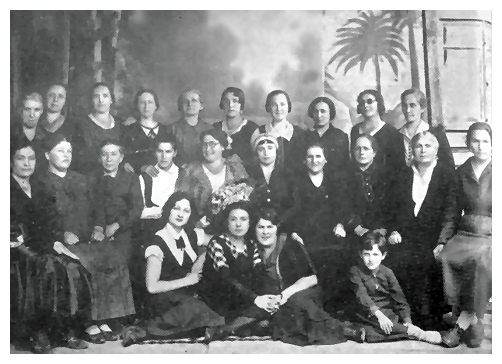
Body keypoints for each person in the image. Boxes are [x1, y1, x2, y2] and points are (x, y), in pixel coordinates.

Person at [10, 139, 92, 353]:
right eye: (20, 158)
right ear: (10, 162)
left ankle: (63, 329)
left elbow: (52, 221)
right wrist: (44, 244)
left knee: (73, 266)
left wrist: (55, 241)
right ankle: (38, 331)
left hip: (42, 242)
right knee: (45, 266)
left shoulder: (40, 186)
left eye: (31, 158)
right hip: (14, 247)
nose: (27, 163)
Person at [121, 192, 224, 346]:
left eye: (186, 210)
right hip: (164, 297)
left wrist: (200, 261)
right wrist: (187, 280)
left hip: (187, 293)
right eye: (176, 208)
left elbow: (218, 242)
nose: (180, 214)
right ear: (168, 209)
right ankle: (144, 329)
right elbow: (152, 286)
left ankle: (191, 326)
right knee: (196, 309)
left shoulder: (192, 235)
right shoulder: (156, 242)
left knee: (214, 301)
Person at [253, 207, 353, 346]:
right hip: (277, 299)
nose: (265, 232)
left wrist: (284, 295)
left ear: (277, 228)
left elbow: (312, 278)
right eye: (260, 227)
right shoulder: (253, 249)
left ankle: (343, 329)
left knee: (297, 301)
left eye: (270, 227)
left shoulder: (289, 245)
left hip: (304, 291)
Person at [390, 131, 457, 329]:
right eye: (418, 146)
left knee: (428, 260)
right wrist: (394, 230)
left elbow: (451, 212)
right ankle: (406, 315)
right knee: (399, 257)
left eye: (428, 146)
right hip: (407, 233)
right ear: (412, 150)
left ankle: (428, 317)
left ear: (436, 150)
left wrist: (442, 241)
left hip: (434, 235)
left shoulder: (446, 174)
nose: (423, 150)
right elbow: (393, 208)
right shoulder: (403, 173)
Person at [84, 140, 144, 342]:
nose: (109, 159)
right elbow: (92, 207)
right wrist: (99, 228)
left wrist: (117, 225)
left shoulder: (131, 178)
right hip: (97, 230)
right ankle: (97, 319)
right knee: (94, 263)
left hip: (123, 231)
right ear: (99, 157)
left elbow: (137, 208)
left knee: (116, 262)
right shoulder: (92, 179)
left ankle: (112, 318)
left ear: (121, 157)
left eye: (113, 154)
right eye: (104, 154)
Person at [440, 122, 492, 348]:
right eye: (475, 141)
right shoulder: (461, 172)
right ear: (468, 144)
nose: (480, 146)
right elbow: (452, 210)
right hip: (466, 231)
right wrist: (442, 240)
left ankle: (462, 324)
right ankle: (473, 319)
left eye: (485, 141)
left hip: (491, 234)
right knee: (446, 257)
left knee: (481, 263)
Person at [282, 143, 349, 305]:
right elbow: (290, 211)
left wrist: (340, 224)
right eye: (310, 157)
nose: (314, 160)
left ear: (325, 160)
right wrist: (294, 232)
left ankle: (334, 306)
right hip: (305, 236)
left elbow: (342, 206)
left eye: (318, 156)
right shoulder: (296, 183)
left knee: (339, 260)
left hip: (330, 235)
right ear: (304, 160)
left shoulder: (334, 182)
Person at [347, 231, 442, 344]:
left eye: (375, 254)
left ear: (383, 256)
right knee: (381, 324)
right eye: (367, 254)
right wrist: (379, 316)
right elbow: (362, 296)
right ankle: (419, 334)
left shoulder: (387, 273)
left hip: (386, 312)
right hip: (366, 311)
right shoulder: (355, 271)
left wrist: (408, 321)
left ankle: (367, 332)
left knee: (382, 328)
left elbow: (400, 300)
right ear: (361, 254)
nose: (371, 259)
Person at [199, 202, 272, 341]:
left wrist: (271, 296)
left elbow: (260, 274)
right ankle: (225, 329)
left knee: (269, 313)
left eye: (243, 219)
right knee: (262, 317)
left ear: (250, 223)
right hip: (220, 297)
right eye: (233, 219)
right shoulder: (217, 243)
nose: (238, 224)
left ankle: (235, 327)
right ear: (226, 222)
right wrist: (255, 299)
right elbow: (225, 279)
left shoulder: (251, 245)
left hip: (243, 297)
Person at [179, 129, 249, 220]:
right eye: (205, 145)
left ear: (223, 146)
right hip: (197, 222)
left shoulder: (234, 168)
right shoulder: (191, 170)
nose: (208, 149)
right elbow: (181, 199)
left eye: (212, 144)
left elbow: (245, 196)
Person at [350, 89, 406, 175]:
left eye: (369, 101)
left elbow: (398, 167)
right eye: (362, 103)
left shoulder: (392, 133)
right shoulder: (355, 130)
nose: (365, 105)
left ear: (379, 104)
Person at [250, 90, 305, 174]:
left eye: (282, 104)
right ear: (268, 107)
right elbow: (254, 165)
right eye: (274, 105)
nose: (279, 108)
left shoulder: (301, 134)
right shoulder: (258, 132)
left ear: (288, 106)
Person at [72, 82, 122, 174]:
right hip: (89, 176)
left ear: (111, 99)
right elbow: (77, 160)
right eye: (96, 96)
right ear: (91, 100)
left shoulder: (120, 124)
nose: (100, 100)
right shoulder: (81, 125)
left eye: (105, 96)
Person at [122, 89, 172, 175]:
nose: (146, 106)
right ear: (137, 106)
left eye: (150, 102)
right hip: (137, 178)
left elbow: (173, 155)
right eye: (142, 102)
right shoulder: (129, 130)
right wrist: (141, 167)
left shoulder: (166, 130)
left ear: (156, 106)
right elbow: (124, 159)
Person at [399, 88, 454, 168]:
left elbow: (449, 165)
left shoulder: (436, 134)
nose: (407, 110)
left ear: (422, 108)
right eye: (404, 106)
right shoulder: (396, 135)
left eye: (412, 105)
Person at [213, 87, 258, 170]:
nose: (230, 105)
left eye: (235, 101)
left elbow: (258, 160)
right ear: (222, 104)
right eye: (226, 101)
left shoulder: (252, 129)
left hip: (246, 178)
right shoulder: (215, 128)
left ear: (241, 104)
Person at [303, 96, 349, 176]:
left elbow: (345, 165)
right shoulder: (304, 137)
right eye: (315, 111)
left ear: (330, 113)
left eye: (323, 111)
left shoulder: (340, 136)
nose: (319, 115)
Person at [247, 133, 292, 216]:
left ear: (276, 151)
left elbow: (292, 205)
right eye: (261, 149)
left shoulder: (287, 174)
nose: (266, 153)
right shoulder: (248, 174)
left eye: (270, 148)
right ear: (256, 152)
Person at [167, 88, 212, 166]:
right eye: (185, 101)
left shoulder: (210, 129)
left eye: (194, 100)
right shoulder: (171, 129)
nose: (189, 104)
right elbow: (166, 154)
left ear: (201, 106)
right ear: (180, 106)